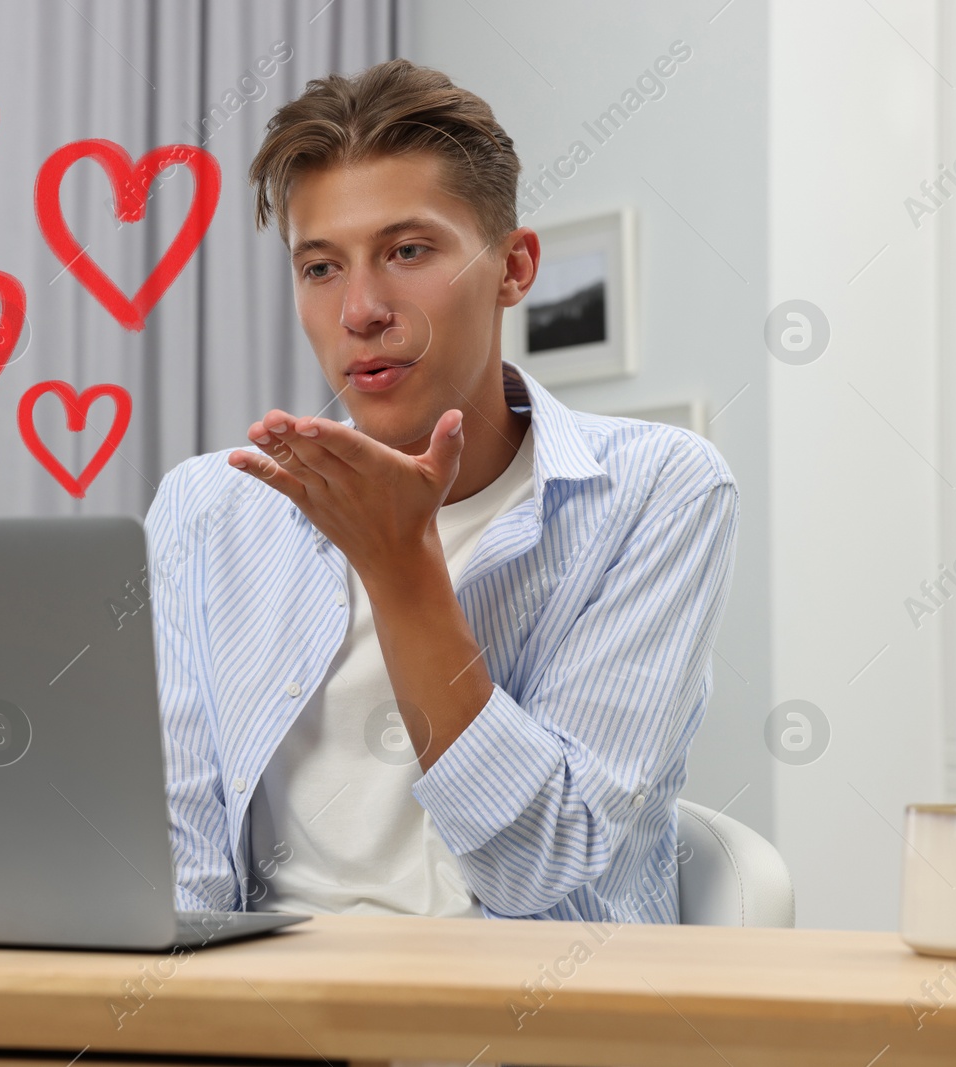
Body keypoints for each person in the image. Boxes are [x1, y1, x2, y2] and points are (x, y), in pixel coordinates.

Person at [145, 58, 739, 926]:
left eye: (407, 251)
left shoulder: (658, 492)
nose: (360, 310)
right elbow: (180, 863)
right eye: (320, 267)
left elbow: (540, 868)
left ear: (513, 267)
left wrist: (401, 570)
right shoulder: (210, 506)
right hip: (262, 1020)